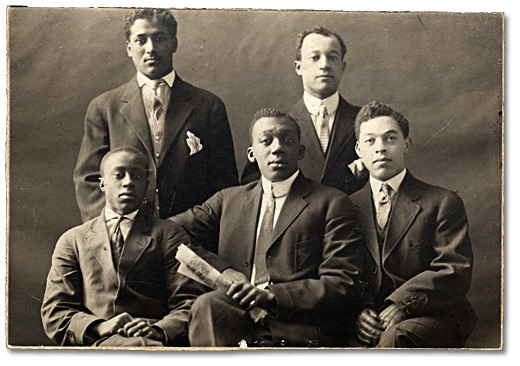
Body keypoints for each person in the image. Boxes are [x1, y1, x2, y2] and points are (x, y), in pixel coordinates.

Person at [170, 108, 364, 347]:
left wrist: (274, 295)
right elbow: (170, 232)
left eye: (288, 140)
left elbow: (342, 282)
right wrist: (223, 270)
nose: (277, 148)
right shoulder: (227, 199)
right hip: (237, 318)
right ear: (252, 154)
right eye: (266, 141)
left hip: (298, 326)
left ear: (300, 151)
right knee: (208, 305)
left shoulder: (331, 202)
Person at [74, 8, 238, 223]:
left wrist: (188, 226)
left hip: (190, 236)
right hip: (124, 237)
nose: (151, 48)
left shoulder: (208, 106)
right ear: (129, 48)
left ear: (174, 43)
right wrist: (115, 229)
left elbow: (225, 186)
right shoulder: (105, 107)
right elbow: (88, 180)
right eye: (141, 40)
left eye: (159, 38)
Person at [42, 147, 204, 347]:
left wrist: (158, 330)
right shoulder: (72, 240)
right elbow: (56, 312)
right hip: (97, 344)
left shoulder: (169, 234)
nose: (128, 182)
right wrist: (100, 327)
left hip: (154, 343)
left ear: (146, 184)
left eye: (136, 176)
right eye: (119, 175)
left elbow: (190, 302)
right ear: (102, 183)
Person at [350, 101, 477, 348]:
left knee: (395, 340)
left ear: (406, 144)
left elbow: (454, 269)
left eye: (390, 138)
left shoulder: (442, 201)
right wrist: (360, 311)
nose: (380, 148)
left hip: (430, 314)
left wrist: (401, 304)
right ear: (358, 149)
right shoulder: (346, 206)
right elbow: (343, 270)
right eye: (370, 141)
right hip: (370, 318)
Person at [241, 26, 366, 195]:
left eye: (332, 57)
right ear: (298, 67)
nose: (324, 65)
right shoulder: (276, 124)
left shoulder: (365, 122)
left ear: (342, 67)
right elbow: (253, 185)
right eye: (315, 57)